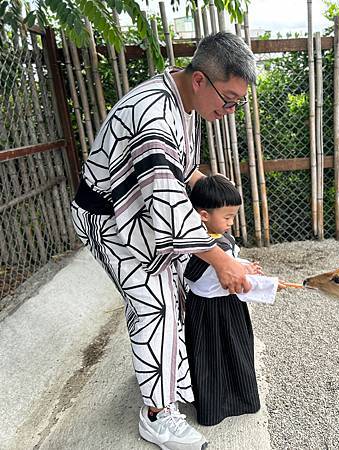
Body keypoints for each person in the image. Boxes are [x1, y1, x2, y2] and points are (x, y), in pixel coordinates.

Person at [70, 32, 256, 450]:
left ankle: (167, 372)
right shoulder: (153, 113)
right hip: (108, 217)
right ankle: (157, 416)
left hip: (140, 207)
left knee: (174, 293)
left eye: (236, 103)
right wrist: (220, 261)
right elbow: (168, 202)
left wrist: (216, 209)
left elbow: (183, 173)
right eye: (227, 99)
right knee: (154, 302)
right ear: (199, 80)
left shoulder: (186, 104)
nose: (229, 110)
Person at [184, 174, 280, 426]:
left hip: (230, 307)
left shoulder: (220, 239)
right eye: (227, 217)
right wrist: (264, 283)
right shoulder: (198, 246)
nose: (231, 222)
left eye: (233, 216)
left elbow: (230, 266)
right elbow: (211, 278)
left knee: (238, 351)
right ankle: (214, 408)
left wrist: (244, 266)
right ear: (203, 215)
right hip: (209, 310)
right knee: (211, 357)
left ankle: (244, 399)